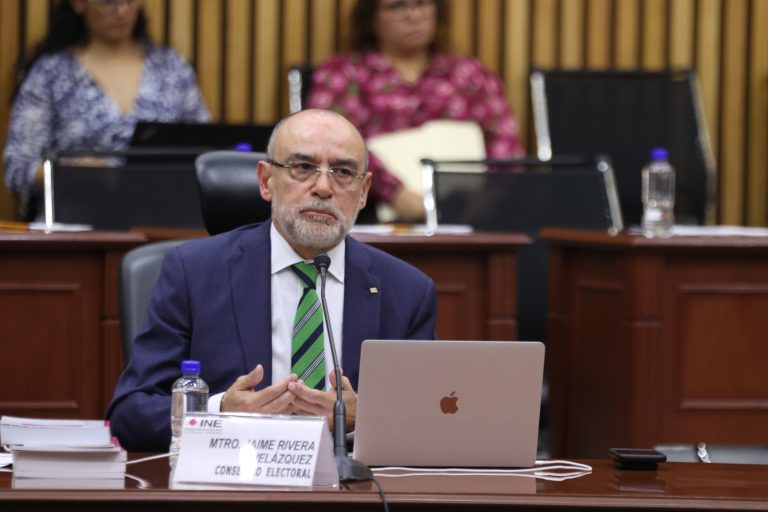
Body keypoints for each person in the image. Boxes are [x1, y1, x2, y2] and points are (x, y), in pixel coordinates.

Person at [107, 109, 438, 452]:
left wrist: (365, 417)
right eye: (303, 167)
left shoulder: (407, 292)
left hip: (353, 495)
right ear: (266, 181)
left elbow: (434, 423)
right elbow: (131, 413)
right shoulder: (193, 273)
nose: (323, 187)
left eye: (342, 172)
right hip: (232, 490)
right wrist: (219, 412)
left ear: (364, 190)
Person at [306, 0, 525, 222]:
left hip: (471, 217)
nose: (413, 15)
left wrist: (485, 197)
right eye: (396, 6)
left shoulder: (470, 74)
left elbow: (507, 148)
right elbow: (330, 141)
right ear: (371, 19)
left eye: (422, 4)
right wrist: (395, 193)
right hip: (366, 215)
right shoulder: (343, 73)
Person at [3, 0, 209, 220]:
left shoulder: (172, 68)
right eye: (108, 2)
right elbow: (17, 168)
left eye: (130, 1)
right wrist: (71, 171)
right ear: (79, 4)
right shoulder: (50, 73)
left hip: (161, 225)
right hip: (74, 227)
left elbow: (205, 153)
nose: (122, 11)